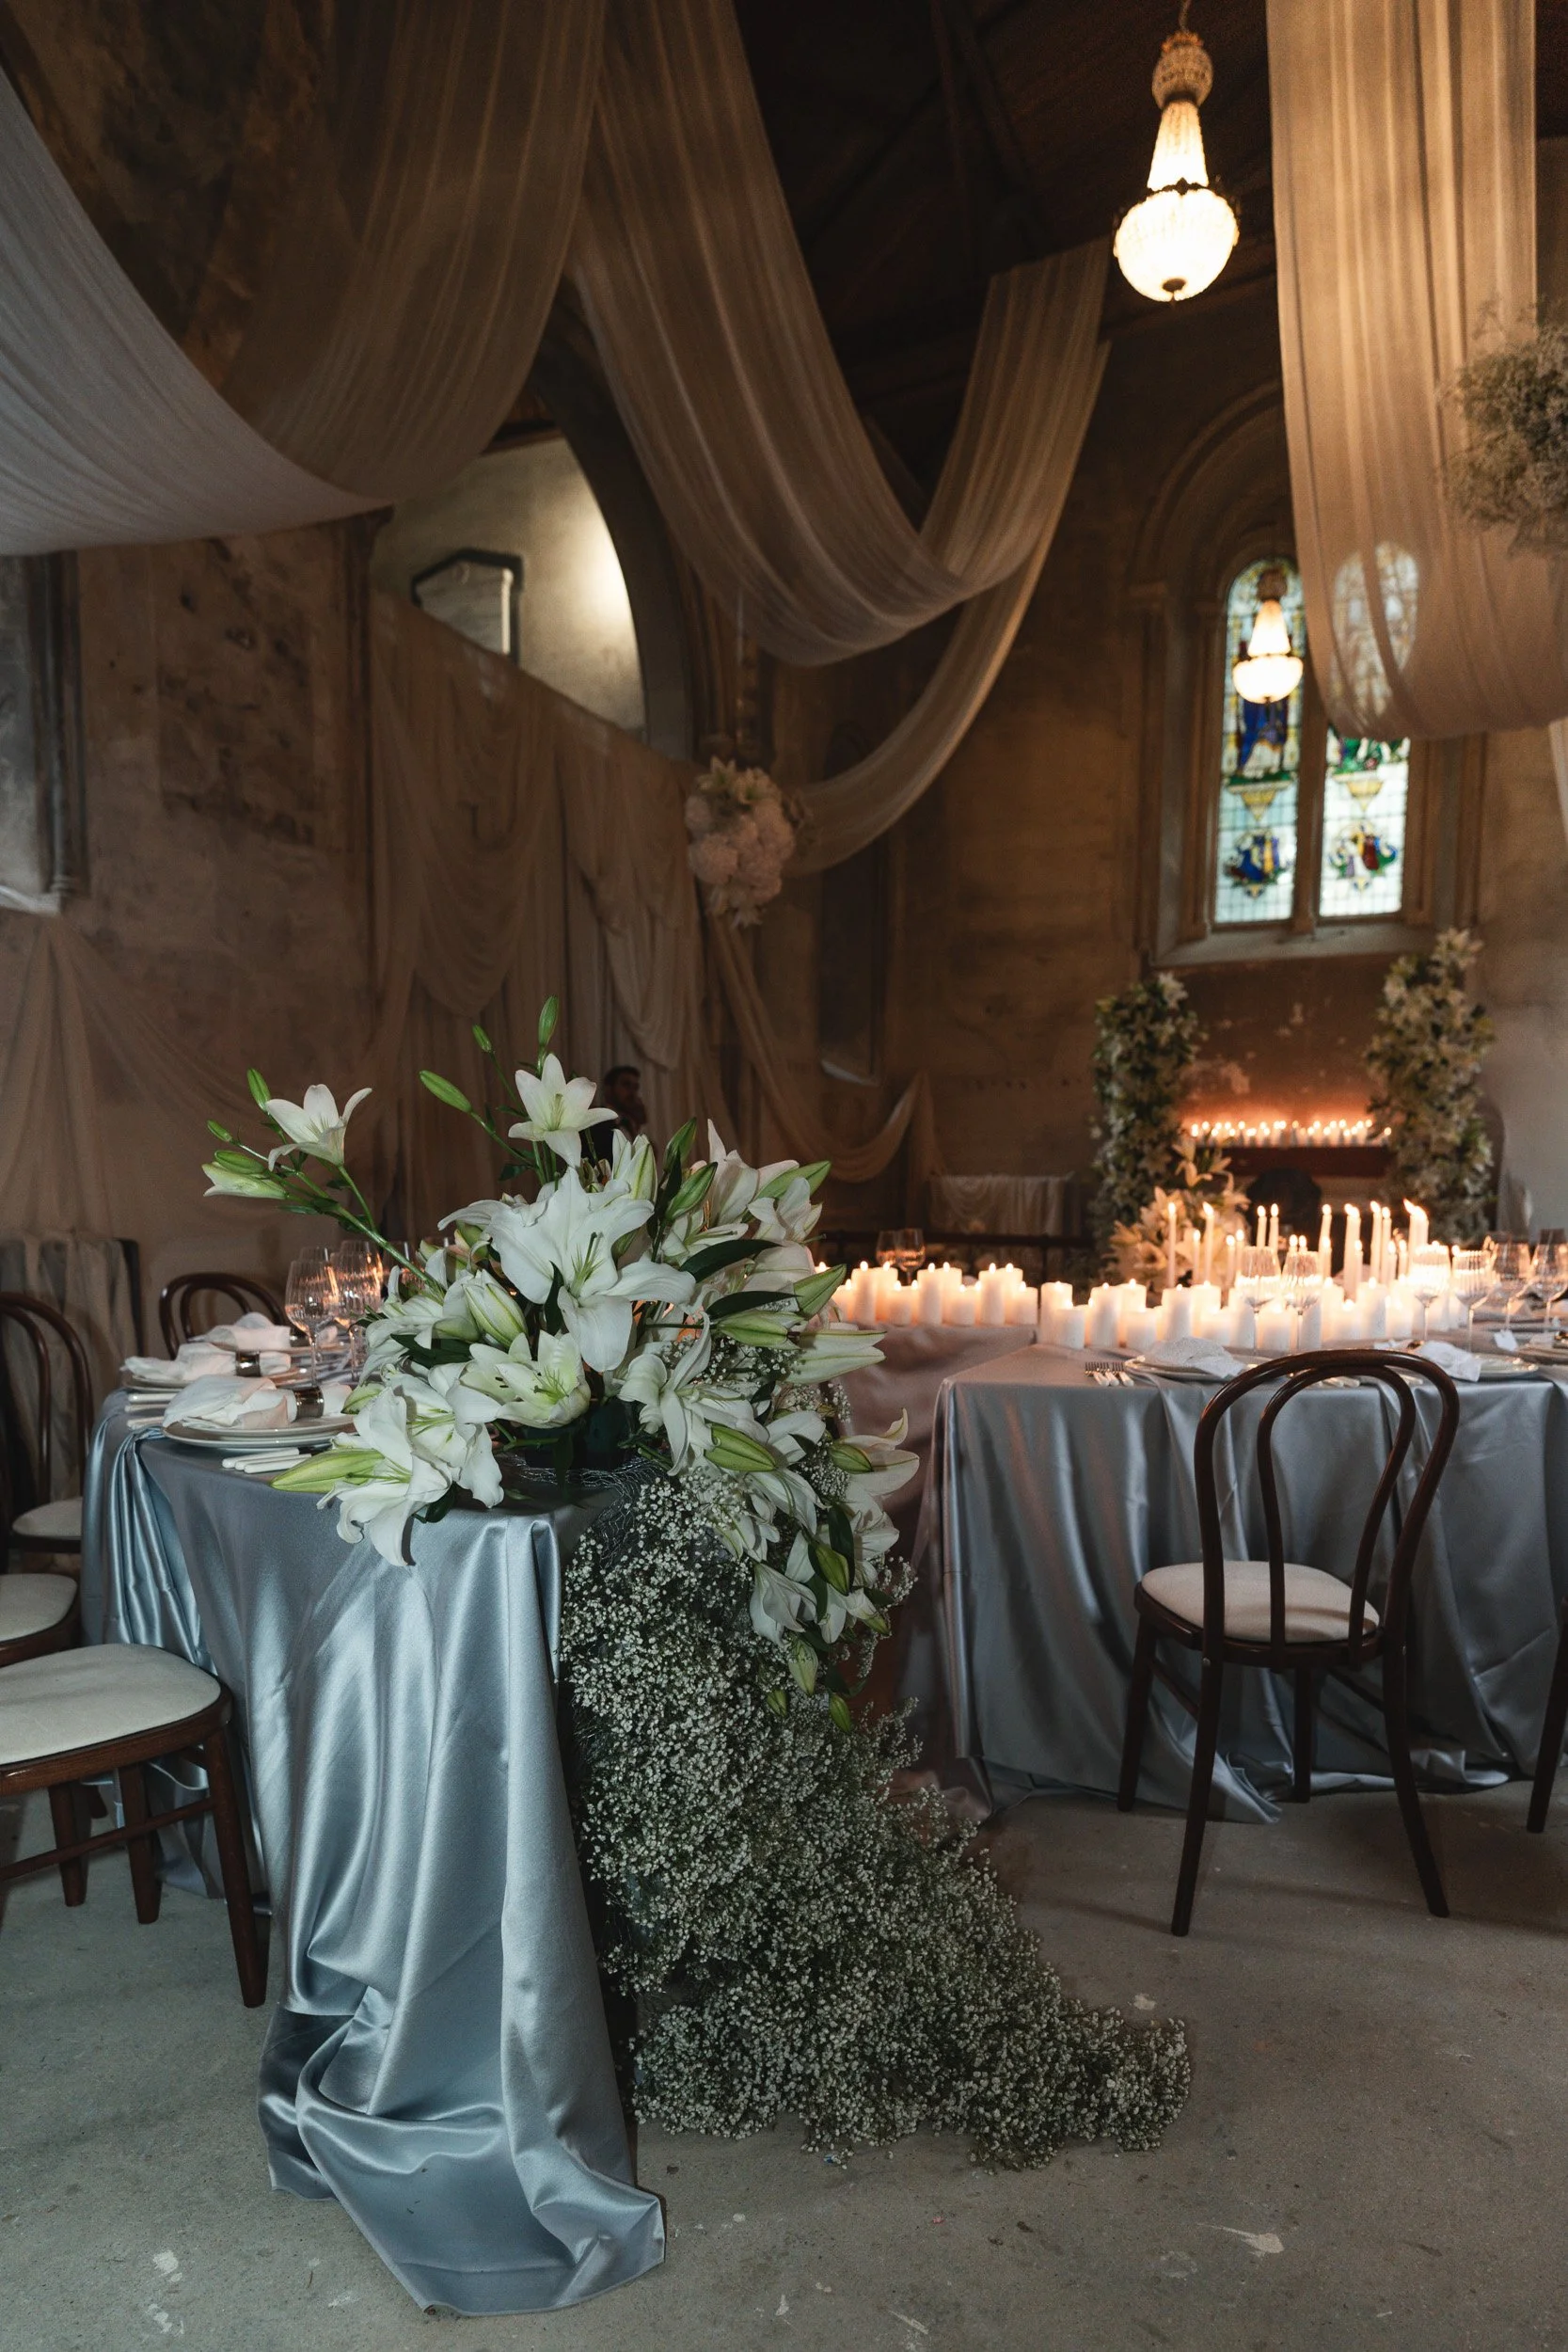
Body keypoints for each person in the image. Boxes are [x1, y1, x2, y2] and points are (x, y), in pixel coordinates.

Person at [596, 1064, 647, 1157]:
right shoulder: (597, 1122)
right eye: (626, 1085)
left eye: (635, 1087)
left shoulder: (631, 1124)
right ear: (608, 1089)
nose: (632, 1092)